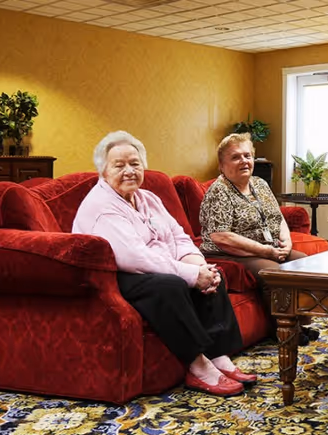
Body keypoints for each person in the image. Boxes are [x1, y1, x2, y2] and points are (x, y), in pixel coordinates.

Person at [73, 131, 256, 397]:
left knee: (213, 274)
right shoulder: (101, 206)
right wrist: (191, 275)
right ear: (103, 171)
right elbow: (135, 257)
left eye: (135, 163)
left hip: (156, 267)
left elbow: (178, 235)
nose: (129, 171)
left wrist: (198, 265)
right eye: (119, 165)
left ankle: (219, 356)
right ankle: (198, 366)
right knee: (170, 286)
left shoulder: (148, 198)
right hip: (116, 277)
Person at [199, 133, 317, 344]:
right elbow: (221, 236)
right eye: (235, 157)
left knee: (304, 262)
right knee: (274, 273)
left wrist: (286, 241)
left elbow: (277, 215)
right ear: (221, 165)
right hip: (229, 252)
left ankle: (299, 323)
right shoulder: (219, 191)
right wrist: (266, 251)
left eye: (247, 156)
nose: (244, 161)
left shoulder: (259, 184)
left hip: (267, 245)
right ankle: (281, 330)